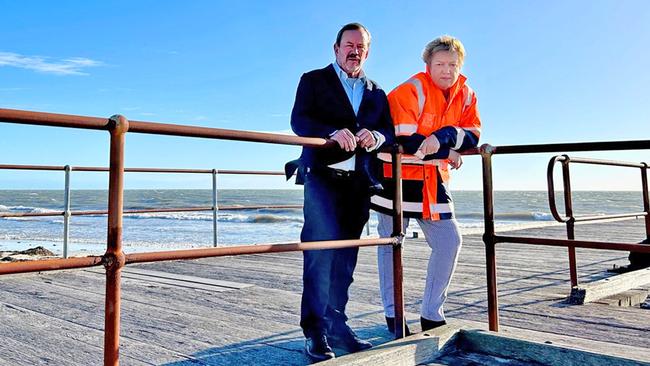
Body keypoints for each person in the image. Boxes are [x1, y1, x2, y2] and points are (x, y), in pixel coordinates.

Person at [286, 23, 395, 361]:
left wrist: (376, 138)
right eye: (349, 45)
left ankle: (337, 324)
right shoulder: (313, 80)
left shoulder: (377, 92)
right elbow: (299, 121)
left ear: (368, 51)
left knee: (346, 259)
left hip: (358, 184)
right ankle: (315, 331)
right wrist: (332, 132)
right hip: (321, 179)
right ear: (335, 48)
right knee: (319, 256)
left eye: (361, 46)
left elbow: (388, 132)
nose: (355, 51)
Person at [370, 35, 481, 335]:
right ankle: (394, 316)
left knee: (450, 242)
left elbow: (473, 134)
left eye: (453, 65)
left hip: (433, 180)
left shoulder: (467, 94)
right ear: (428, 65)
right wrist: (446, 150)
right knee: (392, 246)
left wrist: (444, 136)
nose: (447, 70)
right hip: (395, 178)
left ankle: (432, 313)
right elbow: (405, 141)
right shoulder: (410, 90)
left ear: (461, 66)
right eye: (440, 64)